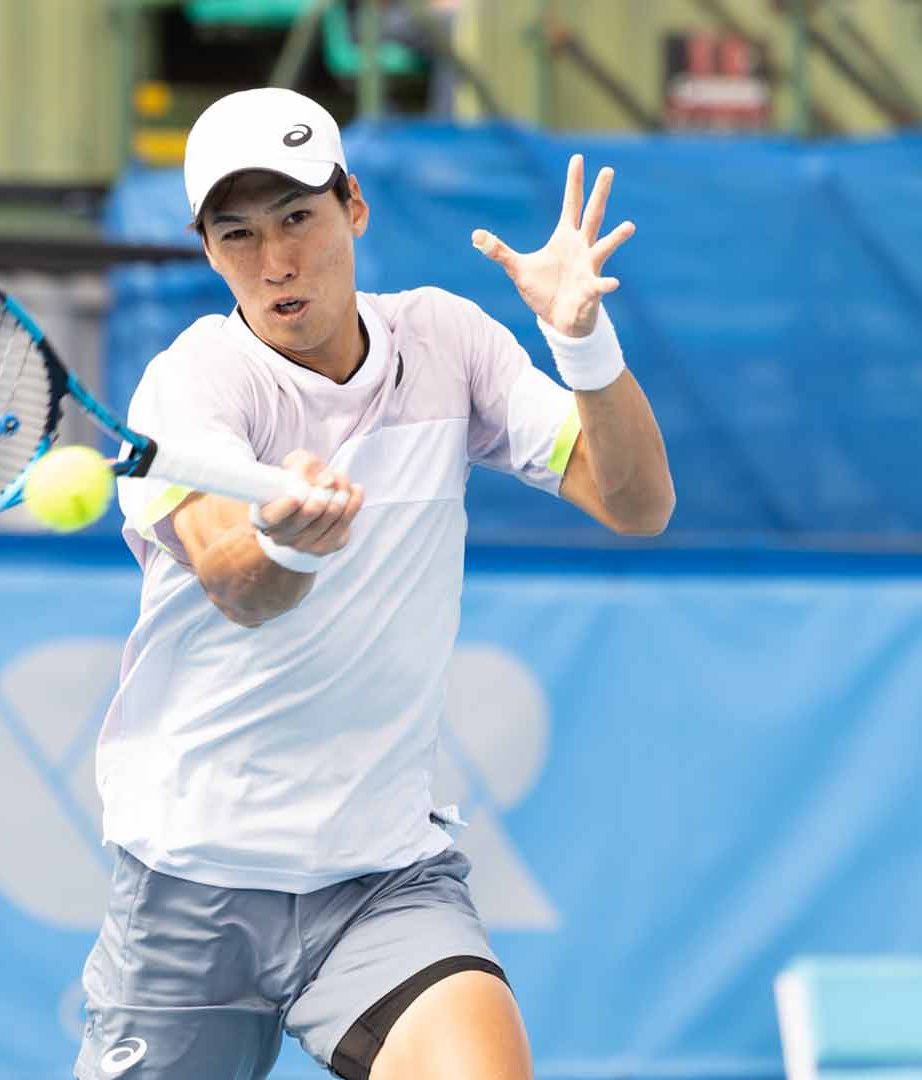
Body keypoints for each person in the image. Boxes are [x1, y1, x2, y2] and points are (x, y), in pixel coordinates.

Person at [75, 88, 674, 1080]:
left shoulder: (448, 343)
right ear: (206, 248)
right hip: (193, 879)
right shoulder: (191, 387)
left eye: (298, 219)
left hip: (381, 878)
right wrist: (294, 546)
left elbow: (638, 503)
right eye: (238, 236)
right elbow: (238, 581)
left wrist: (584, 346)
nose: (275, 263)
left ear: (353, 204)